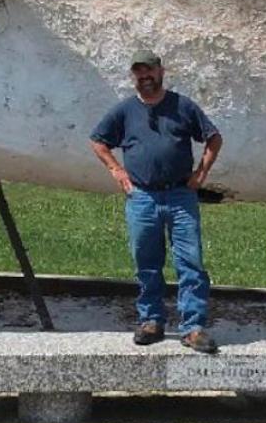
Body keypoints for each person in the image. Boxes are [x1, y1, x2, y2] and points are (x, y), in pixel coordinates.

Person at [89, 50, 224, 353]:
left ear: (161, 71)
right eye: (139, 72)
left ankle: (193, 327)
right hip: (142, 197)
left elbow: (213, 138)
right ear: (133, 76)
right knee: (146, 263)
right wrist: (116, 169)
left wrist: (201, 172)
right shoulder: (124, 111)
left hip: (180, 196)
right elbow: (98, 141)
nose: (145, 77)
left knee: (191, 262)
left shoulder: (183, 106)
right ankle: (151, 320)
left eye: (149, 70)